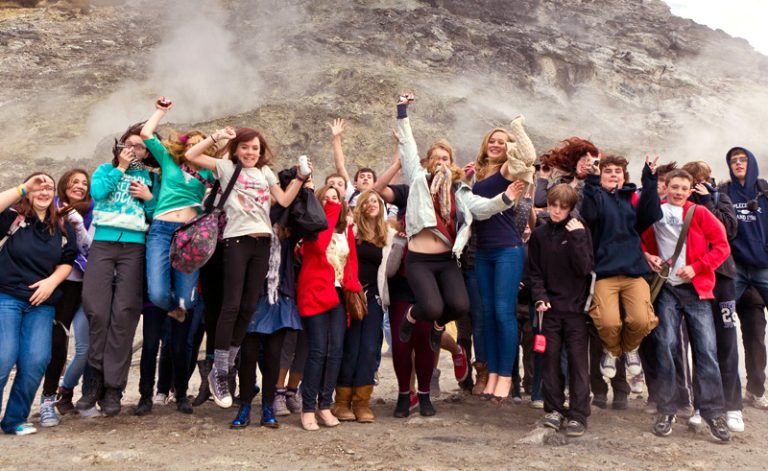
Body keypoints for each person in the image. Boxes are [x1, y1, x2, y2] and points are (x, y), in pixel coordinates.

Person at [393, 93, 523, 380]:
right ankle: (412, 317)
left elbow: (483, 209)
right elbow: (408, 148)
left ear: (452, 163)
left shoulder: (460, 191)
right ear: (428, 162)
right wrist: (402, 111)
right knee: (431, 306)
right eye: (436, 158)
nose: (440, 161)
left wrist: (505, 198)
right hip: (419, 258)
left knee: (460, 305)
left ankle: (438, 328)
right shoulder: (417, 180)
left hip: (446, 258)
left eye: (446, 158)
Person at [184, 126, 309, 409]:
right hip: (236, 240)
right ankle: (220, 371)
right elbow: (191, 154)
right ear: (236, 149)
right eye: (245, 147)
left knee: (249, 306)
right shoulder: (227, 167)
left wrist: (300, 178)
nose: (250, 152)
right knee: (231, 304)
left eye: (255, 148)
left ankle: (225, 367)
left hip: (262, 243)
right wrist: (216, 137)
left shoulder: (265, 173)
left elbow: (285, 200)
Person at [134, 98, 216, 415]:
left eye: (203, 145)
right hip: (161, 230)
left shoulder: (212, 177)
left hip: (190, 236)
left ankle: (180, 393)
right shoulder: (169, 163)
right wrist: (161, 111)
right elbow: (146, 132)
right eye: (193, 144)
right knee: (157, 293)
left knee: (188, 304)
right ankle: (149, 394)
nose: (198, 149)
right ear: (184, 148)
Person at [641, 169, 731, 442]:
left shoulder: (700, 213)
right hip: (667, 288)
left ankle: (713, 413)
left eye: (684, 188)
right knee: (666, 347)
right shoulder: (654, 212)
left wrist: (698, 267)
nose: (679, 192)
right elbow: (641, 240)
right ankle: (667, 409)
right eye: (674, 187)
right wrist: (648, 255)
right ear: (665, 187)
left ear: (690, 190)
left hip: (696, 290)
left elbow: (722, 245)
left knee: (706, 352)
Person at [77, 123, 160, 417]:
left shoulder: (151, 176)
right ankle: (96, 381)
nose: (133, 150)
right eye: (129, 144)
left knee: (124, 315)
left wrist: (148, 198)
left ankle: (113, 388)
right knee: (97, 310)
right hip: (103, 243)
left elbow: (157, 214)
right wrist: (120, 169)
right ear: (120, 145)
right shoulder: (104, 169)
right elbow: (98, 193)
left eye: (140, 146)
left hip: (134, 247)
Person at [0, 174, 76, 435]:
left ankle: (14, 420)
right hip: (7, 296)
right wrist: (23, 188)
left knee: (35, 361)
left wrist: (51, 283)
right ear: (28, 191)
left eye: (48, 187)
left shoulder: (63, 225)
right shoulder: (13, 217)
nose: (43, 191)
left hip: (42, 303)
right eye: (37, 186)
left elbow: (68, 260)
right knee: (2, 357)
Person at [471, 118, 536, 401]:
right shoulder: (477, 175)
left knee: (502, 311)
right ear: (485, 145)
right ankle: (493, 373)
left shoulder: (509, 170)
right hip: (483, 250)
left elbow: (530, 156)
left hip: (507, 249)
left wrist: (516, 128)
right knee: (486, 315)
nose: (496, 144)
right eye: (492, 140)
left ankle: (506, 378)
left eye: (502, 141)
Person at [580, 155, 661, 379]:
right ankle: (613, 351)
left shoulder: (632, 199)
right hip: (605, 272)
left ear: (624, 177)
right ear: (601, 175)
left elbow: (651, 213)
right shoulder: (595, 196)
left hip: (634, 271)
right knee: (607, 322)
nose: (613, 174)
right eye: (608, 171)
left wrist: (651, 178)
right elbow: (589, 215)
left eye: (618, 171)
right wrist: (593, 181)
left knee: (641, 320)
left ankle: (629, 349)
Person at [680, 161, 743, 432]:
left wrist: (707, 200)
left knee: (727, 340)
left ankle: (733, 406)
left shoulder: (720, 198)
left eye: (703, 179)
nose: (699, 185)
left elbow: (729, 230)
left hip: (723, 278)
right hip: (694, 279)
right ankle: (702, 405)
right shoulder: (682, 204)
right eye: (695, 180)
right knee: (701, 344)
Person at [528, 184, 594, 437]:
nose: (556, 211)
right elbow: (535, 271)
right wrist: (540, 297)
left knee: (578, 363)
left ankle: (578, 415)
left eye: (562, 207)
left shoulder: (580, 230)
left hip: (576, 310)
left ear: (571, 208)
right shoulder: (540, 234)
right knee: (550, 361)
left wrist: (577, 237)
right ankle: (553, 410)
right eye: (553, 205)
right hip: (550, 309)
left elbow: (585, 268)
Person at [296, 185, 361, 431]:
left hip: (337, 294)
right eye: (326, 199)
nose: (331, 202)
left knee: (335, 351)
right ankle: (308, 407)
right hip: (314, 292)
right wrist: (331, 210)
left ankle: (325, 405)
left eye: (335, 199)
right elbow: (319, 247)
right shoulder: (312, 230)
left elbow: (351, 259)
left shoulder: (346, 231)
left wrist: (352, 283)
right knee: (317, 351)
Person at [333, 190, 396, 423]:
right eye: (366, 201)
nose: (372, 204)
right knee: (350, 347)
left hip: (375, 297)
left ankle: (362, 402)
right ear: (359, 206)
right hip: (350, 295)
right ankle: (341, 402)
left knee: (370, 349)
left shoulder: (388, 235)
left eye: (376, 201)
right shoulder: (351, 230)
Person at [39, 169, 94, 426]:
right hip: (61, 286)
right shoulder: (50, 209)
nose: (80, 187)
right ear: (64, 185)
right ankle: (47, 399)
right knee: (57, 344)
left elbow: (90, 249)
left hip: (86, 286)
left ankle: (65, 392)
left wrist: (79, 225)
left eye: (84, 183)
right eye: (75, 182)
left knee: (85, 348)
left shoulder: (92, 211)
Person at [719, 146, 768, 409]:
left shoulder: (765, 190)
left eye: (742, 159)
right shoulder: (724, 191)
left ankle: (756, 389)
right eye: (733, 160)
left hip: (761, 270)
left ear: (751, 162)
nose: (738, 163)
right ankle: (722, 387)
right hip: (734, 271)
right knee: (721, 325)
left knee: (755, 335)